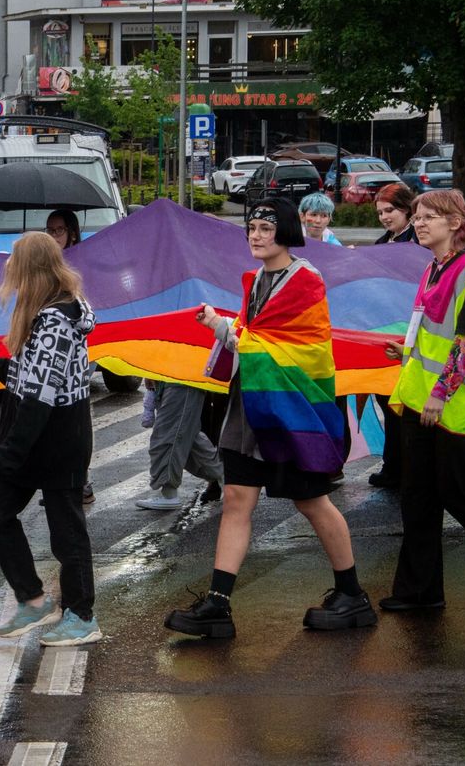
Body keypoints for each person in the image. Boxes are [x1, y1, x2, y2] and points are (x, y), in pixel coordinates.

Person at [164, 197, 376, 638]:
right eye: (251, 229)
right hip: (253, 406)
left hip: (293, 409)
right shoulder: (257, 279)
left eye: (265, 228)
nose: (256, 236)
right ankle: (218, 605)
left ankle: (352, 595)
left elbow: (303, 350)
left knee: (312, 501)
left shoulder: (305, 280)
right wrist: (221, 326)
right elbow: (256, 337)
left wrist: (230, 332)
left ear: (285, 233)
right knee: (238, 499)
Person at [0, 232, 103, 646]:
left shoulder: (54, 320)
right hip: (49, 434)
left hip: (55, 438)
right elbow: (32, 375)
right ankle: (33, 600)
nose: (7, 269)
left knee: (65, 530)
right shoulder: (51, 312)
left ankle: (81, 616)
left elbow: (39, 397)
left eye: (13, 260)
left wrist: (8, 457)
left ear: (29, 269)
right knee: (0, 513)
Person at [382, 190, 465, 611]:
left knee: (464, 497)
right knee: (417, 498)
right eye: (417, 217)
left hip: (454, 409)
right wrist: (402, 352)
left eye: (429, 217)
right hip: (419, 403)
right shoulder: (433, 268)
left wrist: (441, 393)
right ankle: (418, 593)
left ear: (456, 224)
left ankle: (419, 591)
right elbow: (429, 334)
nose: (419, 223)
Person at [367, 182, 420, 489]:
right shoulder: (380, 243)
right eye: (380, 212)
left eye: (390, 210)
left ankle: (404, 468)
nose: (385, 217)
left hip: (407, 337)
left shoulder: (418, 245)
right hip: (382, 337)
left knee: (403, 406)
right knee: (386, 401)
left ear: (406, 210)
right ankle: (394, 465)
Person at [43, 208, 94, 504]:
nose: (54, 235)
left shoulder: (83, 261)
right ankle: (59, 478)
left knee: (75, 416)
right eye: (49, 230)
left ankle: (81, 480)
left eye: (59, 230)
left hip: (78, 352)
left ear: (72, 232)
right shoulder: (44, 263)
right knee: (52, 416)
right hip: (52, 350)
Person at [136, 382, 225, 509]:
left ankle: (169, 494)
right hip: (174, 379)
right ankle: (225, 475)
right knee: (188, 435)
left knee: (170, 434)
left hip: (181, 379)